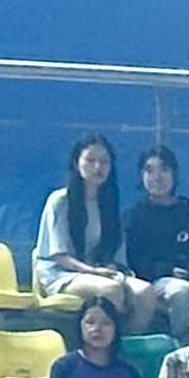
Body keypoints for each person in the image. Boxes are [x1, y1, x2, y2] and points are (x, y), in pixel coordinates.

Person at [36, 134, 141, 325]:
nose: (98, 167)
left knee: (145, 293)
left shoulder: (109, 203)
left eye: (104, 162)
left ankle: (131, 344)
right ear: (77, 163)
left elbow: (116, 254)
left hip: (99, 271)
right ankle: (107, 345)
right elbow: (60, 256)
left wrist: (110, 268)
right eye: (91, 160)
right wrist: (93, 271)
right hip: (62, 274)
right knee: (112, 290)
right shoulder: (60, 201)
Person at [121, 144, 189, 334]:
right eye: (149, 170)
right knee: (183, 292)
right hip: (156, 282)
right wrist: (169, 271)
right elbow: (134, 262)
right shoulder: (134, 216)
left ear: (174, 174)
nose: (157, 177)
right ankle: (184, 348)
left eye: (164, 169)